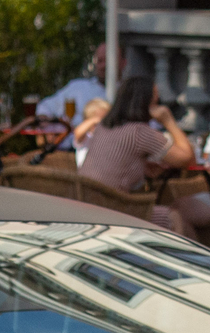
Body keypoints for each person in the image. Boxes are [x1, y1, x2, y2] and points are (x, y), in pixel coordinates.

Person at [77, 75, 196, 229]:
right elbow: (187, 159)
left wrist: (142, 166)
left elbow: (114, 161)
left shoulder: (103, 126)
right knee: (173, 217)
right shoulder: (140, 132)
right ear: (146, 102)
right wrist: (169, 121)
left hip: (84, 204)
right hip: (112, 209)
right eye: (155, 98)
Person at [35, 49, 109, 128]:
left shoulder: (122, 93)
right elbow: (46, 106)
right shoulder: (79, 87)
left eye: (108, 60)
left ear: (123, 61)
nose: (103, 66)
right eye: (100, 61)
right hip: (70, 138)